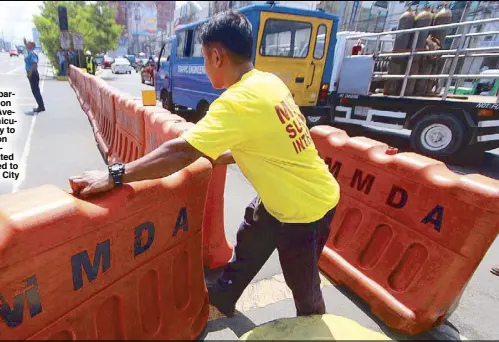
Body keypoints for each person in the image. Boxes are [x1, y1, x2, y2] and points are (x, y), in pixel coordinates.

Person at [68, 10, 340, 318]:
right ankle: (225, 295)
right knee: (252, 234)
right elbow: (270, 138)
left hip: (306, 209)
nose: (205, 66)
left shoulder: (236, 101)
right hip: (289, 195)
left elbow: (180, 151)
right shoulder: (267, 83)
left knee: (303, 286)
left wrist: (116, 174)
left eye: (204, 59)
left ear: (217, 56)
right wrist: (222, 154)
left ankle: (314, 325)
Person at [24, 40, 45, 113]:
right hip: (32, 72)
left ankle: (41, 106)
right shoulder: (30, 52)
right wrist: (25, 42)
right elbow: (27, 47)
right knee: (35, 90)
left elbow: (34, 63)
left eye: (28, 44)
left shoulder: (32, 53)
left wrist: (30, 72)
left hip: (33, 73)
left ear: (32, 46)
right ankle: (41, 106)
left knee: (35, 91)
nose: (26, 45)